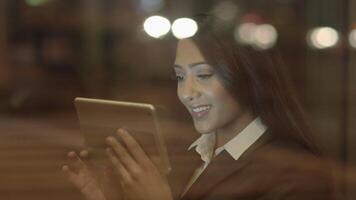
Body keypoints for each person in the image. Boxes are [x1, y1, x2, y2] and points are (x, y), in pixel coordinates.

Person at [62, 14, 336, 200]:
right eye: (180, 77)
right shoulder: (186, 156)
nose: (187, 92)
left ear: (246, 77)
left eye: (204, 75)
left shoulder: (295, 175)